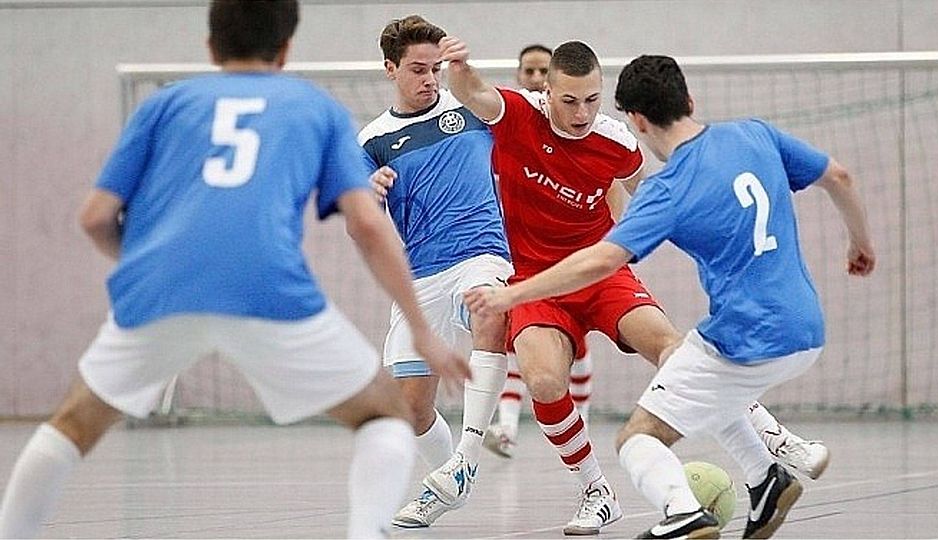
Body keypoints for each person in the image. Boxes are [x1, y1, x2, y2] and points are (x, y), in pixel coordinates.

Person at [0, 3, 470, 539]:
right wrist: (421, 329)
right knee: (384, 416)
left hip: (159, 291)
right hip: (268, 289)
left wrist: (153, 267)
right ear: (286, 49)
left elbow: (94, 217)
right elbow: (367, 224)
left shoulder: (165, 104)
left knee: (71, 425)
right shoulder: (316, 108)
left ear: (211, 47)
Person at [465, 54, 875, 539]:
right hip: (808, 329)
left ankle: (688, 508)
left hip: (734, 331)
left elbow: (603, 258)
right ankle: (761, 476)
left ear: (635, 120)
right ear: (690, 100)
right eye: (570, 100)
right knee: (570, 379)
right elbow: (840, 177)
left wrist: (510, 296)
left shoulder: (663, 185)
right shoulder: (755, 133)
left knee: (643, 428)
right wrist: (860, 245)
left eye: (593, 100)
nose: (582, 112)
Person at [357, 15, 513, 529]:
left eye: (436, 69)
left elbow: (520, 120)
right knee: (412, 409)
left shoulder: (470, 108)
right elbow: (362, 221)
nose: (430, 79)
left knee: (490, 311)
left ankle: (467, 454)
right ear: (390, 69)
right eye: (418, 70)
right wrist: (368, 194)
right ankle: (453, 479)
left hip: (482, 253)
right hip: (421, 274)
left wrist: (467, 72)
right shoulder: (373, 140)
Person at [484, 43, 597, 460]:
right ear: (518, 75)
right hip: (516, 248)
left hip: (569, 247)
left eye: (541, 71)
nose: (533, 78)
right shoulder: (505, 123)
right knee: (517, 337)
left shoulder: (582, 131)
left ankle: (580, 423)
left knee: (576, 340)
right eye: (528, 71)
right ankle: (508, 427)